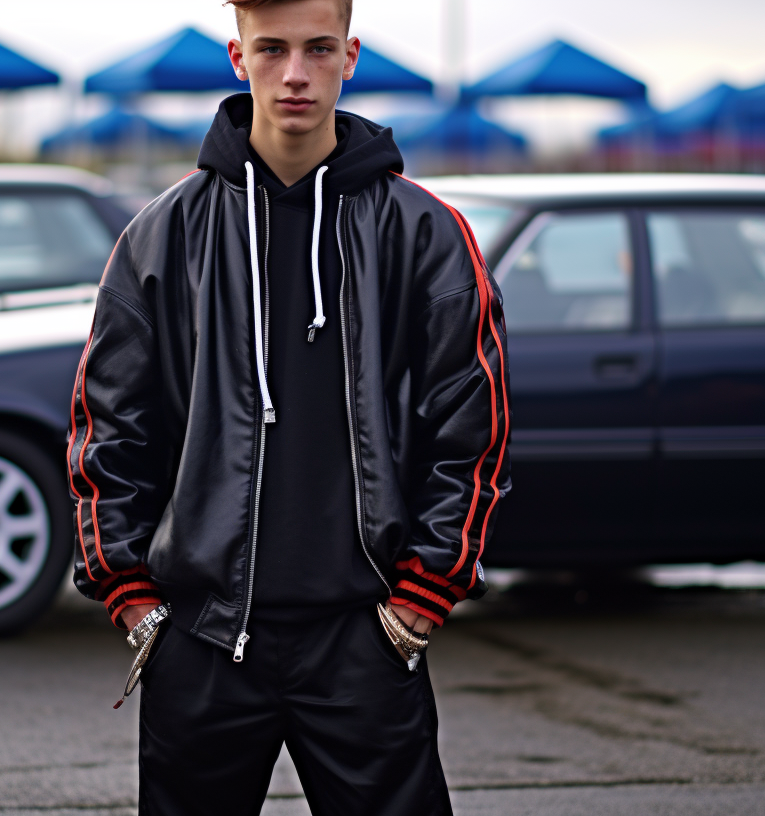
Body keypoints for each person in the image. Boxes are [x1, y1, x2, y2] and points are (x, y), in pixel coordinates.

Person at [68, 0, 509, 812]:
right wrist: (132, 600)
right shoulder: (162, 235)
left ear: (351, 54)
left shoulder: (424, 232)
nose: (296, 74)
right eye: (272, 49)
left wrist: (421, 600)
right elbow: (109, 427)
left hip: (366, 635)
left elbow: (472, 429)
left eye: (318, 49)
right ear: (238, 56)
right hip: (200, 638)